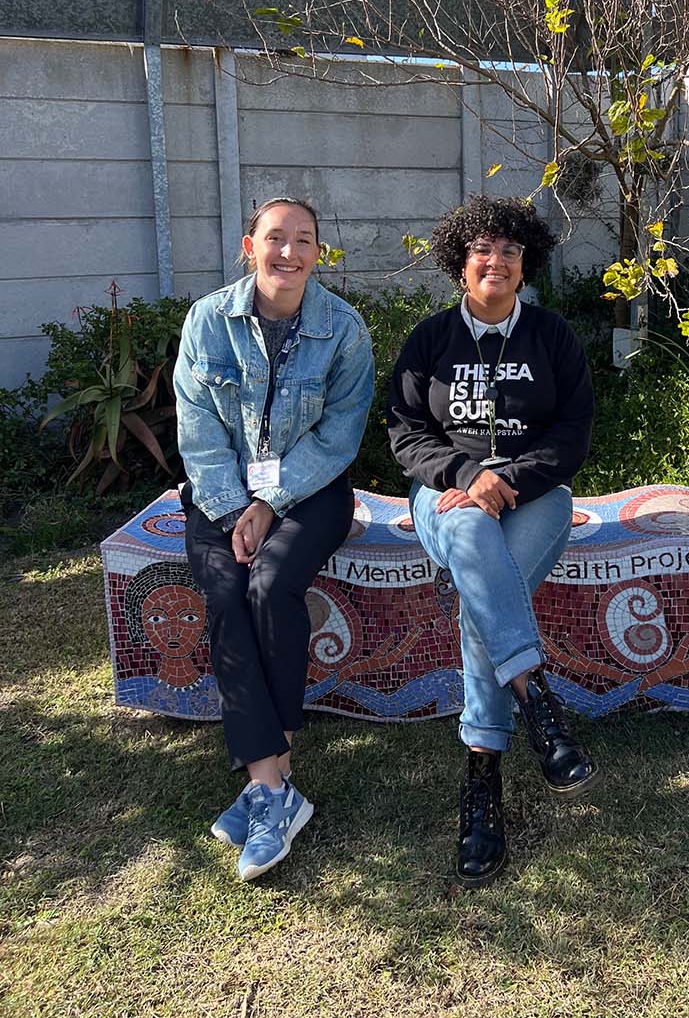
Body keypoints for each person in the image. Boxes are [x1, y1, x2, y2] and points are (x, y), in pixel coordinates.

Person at [388, 195, 597, 887]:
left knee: (481, 601)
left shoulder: (551, 336)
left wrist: (505, 475)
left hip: (536, 497)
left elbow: (571, 436)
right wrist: (464, 474)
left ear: (525, 263)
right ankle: (535, 702)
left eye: (510, 250)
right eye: (483, 249)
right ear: (460, 262)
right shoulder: (429, 341)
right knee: (473, 532)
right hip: (445, 498)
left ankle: (483, 782)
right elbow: (406, 434)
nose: (496, 261)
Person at [173, 196, 374, 881]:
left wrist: (271, 502)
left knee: (271, 582)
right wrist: (236, 511)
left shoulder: (343, 329)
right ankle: (272, 782)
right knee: (227, 590)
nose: (288, 252)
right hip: (219, 495)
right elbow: (197, 433)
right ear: (247, 245)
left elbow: (340, 435)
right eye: (275, 238)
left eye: (304, 240)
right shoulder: (207, 321)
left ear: (318, 252)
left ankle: (266, 785)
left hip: (313, 493)